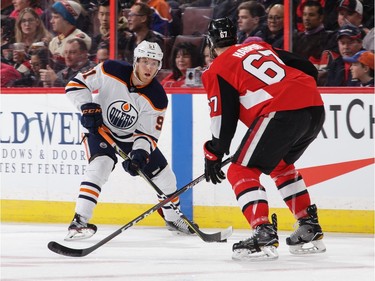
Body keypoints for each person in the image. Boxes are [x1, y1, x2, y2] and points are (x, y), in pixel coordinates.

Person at [201, 17, 326, 260]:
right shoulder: (261, 47)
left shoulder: (216, 69)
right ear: (234, 38)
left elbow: (223, 117)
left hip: (281, 112)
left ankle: (262, 233)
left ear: (211, 43)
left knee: (239, 170)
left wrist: (214, 151)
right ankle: (308, 225)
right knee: (280, 164)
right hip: (314, 107)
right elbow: (307, 67)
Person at [64, 40, 197, 240]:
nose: (149, 67)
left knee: (165, 178)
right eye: (145, 61)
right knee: (101, 165)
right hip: (100, 128)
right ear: (135, 61)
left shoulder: (158, 97)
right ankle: (79, 221)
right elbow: (76, 84)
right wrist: (86, 106)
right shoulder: (111, 69)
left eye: (154, 63)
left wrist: (139, 155)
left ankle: (173, 218)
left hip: (130, 137)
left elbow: (147, 134)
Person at [48, 0, 92, 72]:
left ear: (67, 20)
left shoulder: (81, 38)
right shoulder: (53, 42)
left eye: (56, 17)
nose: (51, 21)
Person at [293, 1, 337, 69]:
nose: (306, 18)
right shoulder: (297, 38)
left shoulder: (329, 38)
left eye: (311, 15)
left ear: (321, 18)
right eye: (304, 14)